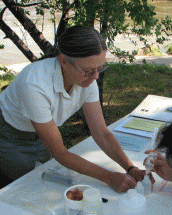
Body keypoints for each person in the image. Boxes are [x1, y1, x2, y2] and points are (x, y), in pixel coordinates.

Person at [0, 25, 146, 192]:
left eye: (100, 68)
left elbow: (101, 133)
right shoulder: (34, 85)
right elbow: (60, 153)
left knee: (47, 180)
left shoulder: (87, 78)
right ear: (63, 61)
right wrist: (109, 177)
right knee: (20, 188)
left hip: (39, 131)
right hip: (9, 134)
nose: (95, 76)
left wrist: (130, 168)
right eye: (88, 71)